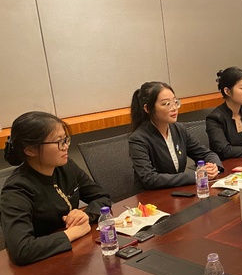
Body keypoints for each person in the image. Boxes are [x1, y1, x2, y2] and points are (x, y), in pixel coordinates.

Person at [1, 112, 111, 265]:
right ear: (30, 150)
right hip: (40, 266)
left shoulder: (66, 167)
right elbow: (22, 249)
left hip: (73, 256)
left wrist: (86, 215)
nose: (66, 146)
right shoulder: (16, 189)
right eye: (59, 141)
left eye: (66, 139)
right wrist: (71, 234)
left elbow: (102, 197)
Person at [128, 81, 223, 191]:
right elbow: (150, 178)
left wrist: (214, 167)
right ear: (147, 109)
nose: (174, 108)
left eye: (175, 102)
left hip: (175, 193)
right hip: (150, 197)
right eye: (166, 104)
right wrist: (197, 175)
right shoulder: (138, 139)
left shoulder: (178, 129)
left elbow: (206, 154)